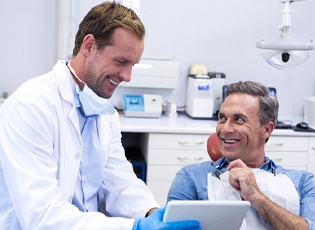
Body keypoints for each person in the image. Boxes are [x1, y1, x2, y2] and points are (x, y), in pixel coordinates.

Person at [0, 2, 200, 230]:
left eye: (133, 65)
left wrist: (153, 214)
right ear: (89, 46)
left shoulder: (105, 114)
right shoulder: (31, 106)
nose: (127, 76)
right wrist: (135, 227)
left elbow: (120, 182)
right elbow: (42, 216)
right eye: (121, 62)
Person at [167, 81, 315, 229]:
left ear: (266, 130)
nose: (225, 129)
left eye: (239, 119)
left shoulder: (302, 182)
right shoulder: (192, 178)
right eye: (222, 118)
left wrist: (256, 196)